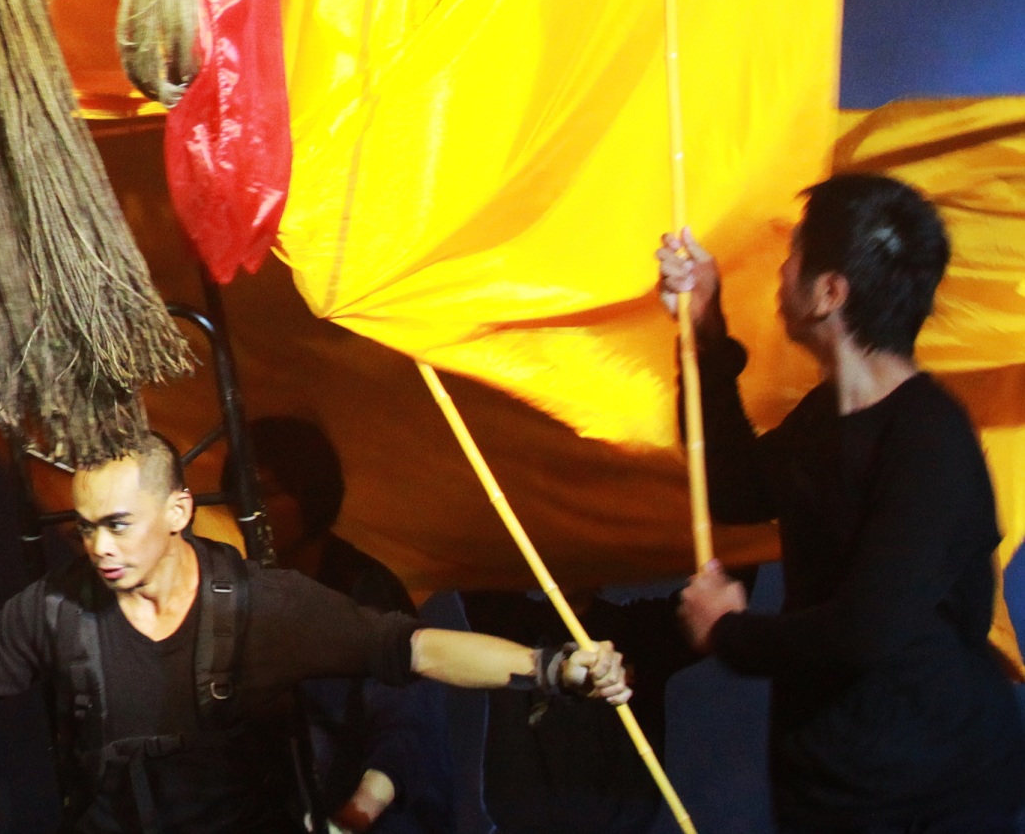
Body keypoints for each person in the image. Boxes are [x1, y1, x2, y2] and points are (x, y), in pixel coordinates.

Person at [0, 436, 628, 834]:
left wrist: (554, 667)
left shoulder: (266, 603)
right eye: (84, 527)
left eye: (118, 524)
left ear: (180, 511)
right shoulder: (55, 611)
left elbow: (416, 650)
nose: (98, 548)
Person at [658, 173, 1025, 831]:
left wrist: (727, 631)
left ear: (830, 291)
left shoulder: (929, 440)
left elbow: (865, 629)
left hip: (931, 791)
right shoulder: (824, 417)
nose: (781, 270)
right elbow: (735, 487)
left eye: (795, 251)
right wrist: (708, 333)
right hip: (836, 780)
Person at [246, 418, 450, 834]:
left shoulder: (366, 593)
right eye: (242, 494)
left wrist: (356, 815)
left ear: (311, 496)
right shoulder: (249, 592)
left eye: (266, 493)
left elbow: (406, 728)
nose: (252, 512)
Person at [456, 588, 694, 834]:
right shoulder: (508, 621)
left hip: (622, 823)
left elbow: (711, 596)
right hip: (527, 820)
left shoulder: (641, 629)